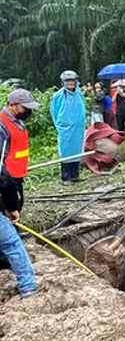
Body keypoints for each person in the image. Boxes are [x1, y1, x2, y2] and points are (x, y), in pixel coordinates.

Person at [0, 89, 39, 298]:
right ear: (14, 104)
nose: (27, 112)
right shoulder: (1, 125)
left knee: (12, 212)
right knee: (11, 242)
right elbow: (2, 175)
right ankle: (28, 287)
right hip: (6, 178)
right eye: (25, 108)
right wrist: (12, 204)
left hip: (16, 173)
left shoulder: (17, 122)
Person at [50, 70, 86, 185]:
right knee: (66, 151)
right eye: (68, 81)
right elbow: (54, 111)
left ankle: (75, 175)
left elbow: (83, 107)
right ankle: (66, 177)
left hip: (78, 128)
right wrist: (60, 125)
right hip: (65, 129)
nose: (70, 83)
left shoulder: (79, 94)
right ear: (64, 82)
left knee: (76, 150)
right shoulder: (58, 95)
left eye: (72, 81)